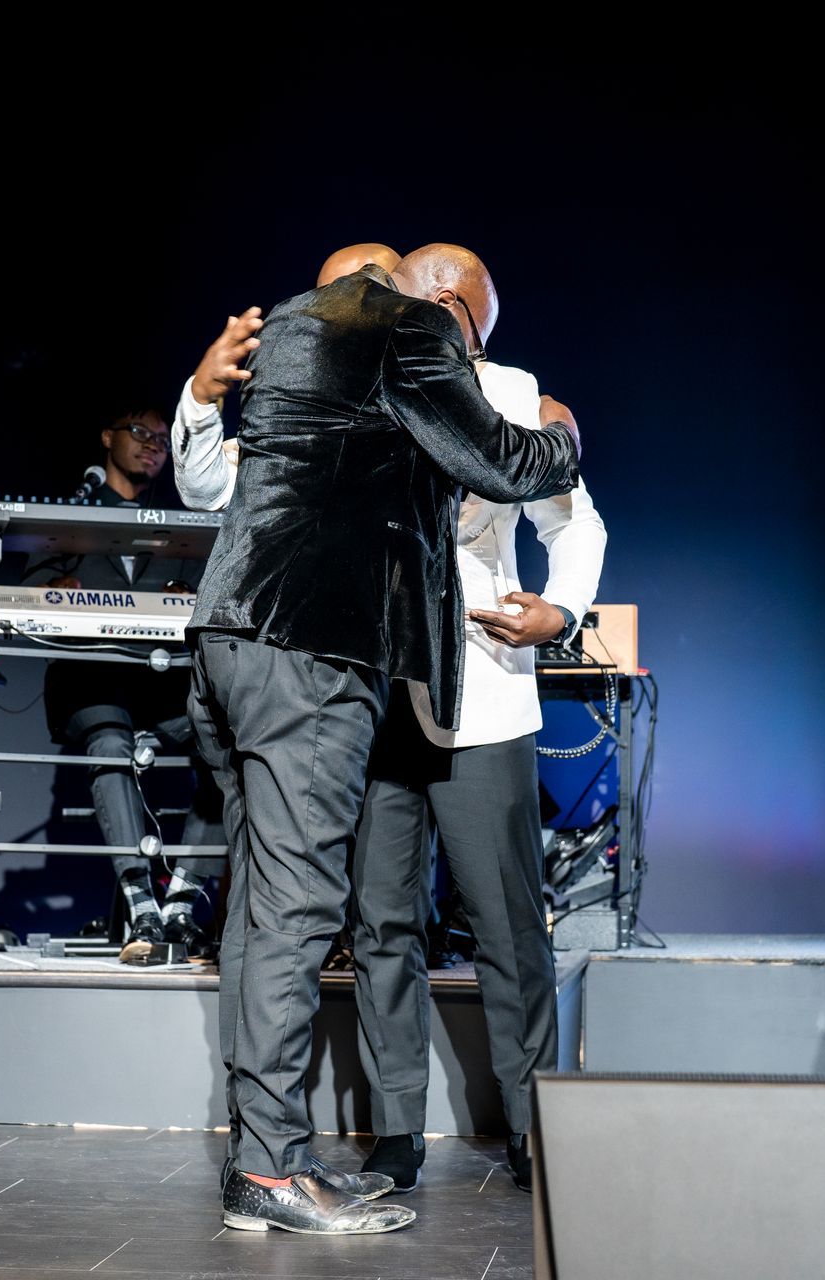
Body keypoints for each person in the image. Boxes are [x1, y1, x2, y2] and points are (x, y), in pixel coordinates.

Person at [173, 243, 607, 1194]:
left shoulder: (466, 371)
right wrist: (200, 403)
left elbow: (569, 516)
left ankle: (530, 1122)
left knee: (497, 922)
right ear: (444, 305)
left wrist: (562, 611)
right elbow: (222, 489)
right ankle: (366, 1136)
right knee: (367, 921)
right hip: (353, 670)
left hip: (460, 683)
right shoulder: (377, 345)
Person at [37, 409, 213, 947]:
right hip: (95, 690)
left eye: (163, 439)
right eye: (141, 433)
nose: (153, 445)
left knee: (231, 742)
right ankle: (141, 903)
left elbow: (199, 600)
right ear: (107, 436)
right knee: (110, 742)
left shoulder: (179, 530)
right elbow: (33, 592)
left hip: (163, 694)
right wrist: (59, 587)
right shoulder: (72, 516)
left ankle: (182, 897)